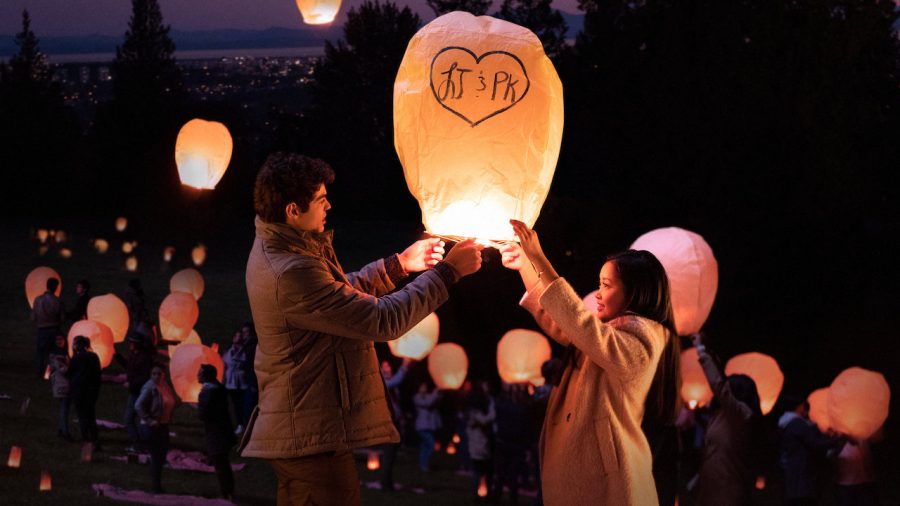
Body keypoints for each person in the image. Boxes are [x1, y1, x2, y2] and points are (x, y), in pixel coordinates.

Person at [241, 152, 484, 506]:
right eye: (321, 199)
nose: (329, 206)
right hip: (309, 436)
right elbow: (381, 320)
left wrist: (399, 265)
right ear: (293, 210)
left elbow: (335, 297)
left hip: (308, 429)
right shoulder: (289, 269)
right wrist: (449, 272)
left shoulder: (284, 248)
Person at [501, 220, 680, 506]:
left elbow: (578, 324)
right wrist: (525, 266)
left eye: (606, 285)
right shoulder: (605, 336)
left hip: (610, 484)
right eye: (599, 284)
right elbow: (563, 323)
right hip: (587, 477)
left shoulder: (642, 340)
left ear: (636, 291)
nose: (597, 293)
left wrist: (538, 257)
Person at [692, 333, 763, 506]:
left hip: (728, 492)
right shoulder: (723, 414)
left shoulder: (742, 414)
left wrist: (701, 351)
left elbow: (719, 385)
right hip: (711, 489)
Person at [779, 393, 844, 506]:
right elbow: (815, 443)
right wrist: (837, 439)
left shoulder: (786, 423)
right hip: (802, 478)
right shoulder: (797, 424)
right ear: (799, 406)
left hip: (793, 476)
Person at [136, 364, 177, 494]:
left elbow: (170, 403)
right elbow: (138, 405)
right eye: (153, 373)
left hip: (163, 426)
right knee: (156, 456)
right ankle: (155, 487)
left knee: (161, 457)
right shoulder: (150, 387)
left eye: (159, 373)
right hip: (151, 427)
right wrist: (149, 420)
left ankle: (157, 485)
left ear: (164, 374)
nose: (156, 376)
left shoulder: (165, 387)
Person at [198, 364, 236, 500]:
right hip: (224, 432)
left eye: (200, 373)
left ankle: (225, 493)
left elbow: (203, 414)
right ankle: (228, 491)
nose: (197, 375)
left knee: (220, 465)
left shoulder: (207, 392)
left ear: (205, 376)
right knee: (223, 463)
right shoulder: (218, 389)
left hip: (216, 434)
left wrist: (199, 406)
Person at [114, 328, 156, 452]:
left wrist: (131, 384)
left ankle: (139, 444)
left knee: (132, 418)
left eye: (132, 342)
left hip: (141, 392)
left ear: (137, 344)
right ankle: (141, 443)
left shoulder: (145, 358)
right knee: (134, 418)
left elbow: (145, 377)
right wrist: (116, 355)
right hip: (135, 391)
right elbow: (129, 367)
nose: (130, 344)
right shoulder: (134, 355)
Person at [379, 358, 411, 491]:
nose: (389, 368)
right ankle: (386, 484)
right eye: (385, 367)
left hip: (395, 422)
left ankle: (388, 482)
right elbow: (397, 380)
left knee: (391, 455)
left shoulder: (391, 384)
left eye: (389, 366)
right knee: (388, 453)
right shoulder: (383, 383)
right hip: (388, 424)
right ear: (380, 371)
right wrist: (404, 366)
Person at [66, 335, 101, 449]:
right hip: (92, 391)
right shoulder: (94, 356)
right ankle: (95, 440)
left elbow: (69, 373)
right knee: (91, 416)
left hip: (79, 391)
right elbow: (98, 374)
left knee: (82, 416)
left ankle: (86, 440)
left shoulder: (76, 358)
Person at [466, 380, 496, 501]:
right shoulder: (475, 414)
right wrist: (493, 406)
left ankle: (479, 494)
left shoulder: (472, 414)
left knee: (479, 472)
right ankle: (478, 495)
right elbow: (487, 420)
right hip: (479, 448)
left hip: (478, 448)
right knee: (480, 472)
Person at [32, 277, 65, 377]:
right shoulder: (57, 301)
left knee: (41, 353)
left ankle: (39, 372)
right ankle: (52, 373)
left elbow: (33, 317)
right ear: (56, 287)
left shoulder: (38, 300)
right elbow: (63, 317)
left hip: (42, 329)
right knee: (55, 352)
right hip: (54, 329)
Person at [222, 328, 252, 434]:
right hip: (231, 382)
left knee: (244, 404)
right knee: (235, 405)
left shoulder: (245, 351)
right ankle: (240, 424)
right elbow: (224, 366)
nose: (238, 338)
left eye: (240, 336)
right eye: (236, 336)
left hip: (242, 381)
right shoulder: (228, 350)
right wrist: (223, 381)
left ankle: (246, 424)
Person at [414, 382, 443, 472]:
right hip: (422, 427)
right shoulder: (417, 397)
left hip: (429, 427)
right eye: (422, 387)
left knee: (425, 447)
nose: (424, 388)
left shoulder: (429, 396)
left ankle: (424, 466)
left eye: (425, 387)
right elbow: (428, 403)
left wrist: (440, 392)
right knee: (431, 445)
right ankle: (424, 465)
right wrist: (435, 392)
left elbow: (436, 401)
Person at [48, 334, 72, 441]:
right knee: (64, 409)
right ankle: (65, 432)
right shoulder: (58, 355)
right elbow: (63, 370)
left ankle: (61, 429)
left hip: (61, 383)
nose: (59, 341)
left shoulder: (63, 353)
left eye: (61, 339)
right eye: (57, 339)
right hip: (63, 384)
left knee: (63, 408)